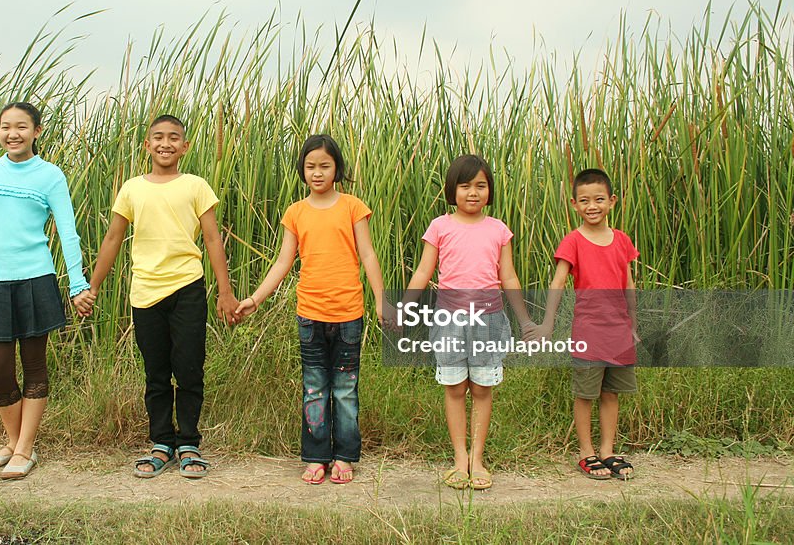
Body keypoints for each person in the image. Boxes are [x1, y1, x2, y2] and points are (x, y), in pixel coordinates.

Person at [0, 101, 93, 481]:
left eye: (21, 127)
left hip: (37, 278)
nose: (13, 133)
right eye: (6, 127)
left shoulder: (50, 176)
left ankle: (25, 448)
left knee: (35, 367)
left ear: (36, 132)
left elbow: (67, 232)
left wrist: (78, 284)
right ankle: (12, 442)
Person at [84, 114, 239, 479]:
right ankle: (161, 443)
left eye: (174, 138)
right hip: (145, 292)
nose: (165, 143)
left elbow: (213, 239)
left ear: (185, 147)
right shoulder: (132, 189)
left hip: (188, 287)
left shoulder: (196, 186)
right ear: (147, 145)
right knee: (155, 373)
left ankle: (189, 443)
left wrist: (226, 291)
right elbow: (112, 239)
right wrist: (93, 287)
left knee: (188, 369)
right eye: (158, 137)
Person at [234, 134, 387, 485]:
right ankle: (317, 456)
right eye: (310, 167)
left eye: (325, 166)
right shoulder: (296, 212)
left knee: (345, 389)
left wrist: (381, 300)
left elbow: (368, 255)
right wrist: (255, 299)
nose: (317, 173)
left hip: (348, 313)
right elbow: (283, 262)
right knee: (314, 387)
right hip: (310, 315)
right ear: (302, 171)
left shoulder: (352, 207)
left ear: (337, 169)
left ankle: (345, 456)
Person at [404, 154, 535, 491]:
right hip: (449, 320)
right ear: (453, 190)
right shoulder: (440, 227)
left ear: (489, 191)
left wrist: (523, 319)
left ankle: (478, 459)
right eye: (465, 186)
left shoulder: (499, 230)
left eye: (480, 186)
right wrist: (405, 306)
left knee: (481, 388)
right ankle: (459, 459)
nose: (473, 193)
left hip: (489, 320)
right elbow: (423, 271)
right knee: (455, 388)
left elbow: (508, 276)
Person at [526, 168, 639, 480]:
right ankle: (586, 452)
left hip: (619, 331)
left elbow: (628, 283)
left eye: (599, 199)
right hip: (589, 330)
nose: (592, 206)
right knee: (586, 393)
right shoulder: (573, 241)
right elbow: (558, 281)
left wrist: (633, 325)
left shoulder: (622, 240)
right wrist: (547, 324)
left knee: (611, 392)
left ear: (612, 201)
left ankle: (608, 450)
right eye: (585, 200)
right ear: (574, 204)